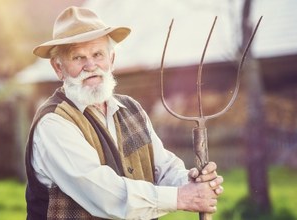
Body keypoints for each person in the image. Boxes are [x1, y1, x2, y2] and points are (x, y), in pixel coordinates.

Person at [25, 6, 224, 220]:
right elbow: (102, 194)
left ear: (111, 59)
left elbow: (162, 167)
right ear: (58, 68)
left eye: (97, 54)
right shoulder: (53, 123)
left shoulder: (131, 109)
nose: (90, 65)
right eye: (78, 58)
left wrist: (190, 182)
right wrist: (180, 198)